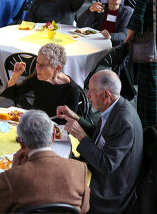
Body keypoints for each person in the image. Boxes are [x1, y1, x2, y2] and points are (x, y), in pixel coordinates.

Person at [57, 70, 143, 213]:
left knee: (60, 183)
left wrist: (81, 136)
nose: (88, 96)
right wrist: (76, 118)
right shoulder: (115, 107)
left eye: (91, 92)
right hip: (106, 173)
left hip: (111, 190)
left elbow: (106, 165)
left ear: (106, 95)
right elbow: (100, 135)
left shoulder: (123, 122)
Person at [0, 110, 90, 213]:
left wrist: (14, 170)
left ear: (21, 143)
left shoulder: (13, 178)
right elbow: (84, 209)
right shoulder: (79, 169)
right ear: (52, 137)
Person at [0, 43, 80, 121]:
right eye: (37, 62)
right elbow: (12, 94)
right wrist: (15, 75)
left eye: (42, 65)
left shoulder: (72, 89)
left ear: (57, 68)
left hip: (57, 129)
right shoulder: (38, 77)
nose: (37, 68)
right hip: (36, 121)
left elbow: (71, 121)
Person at [124, 0, 157, 128]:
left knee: (150, 91)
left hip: (151, 49)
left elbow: (137, 18)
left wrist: (127, 40)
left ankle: (148, 132)